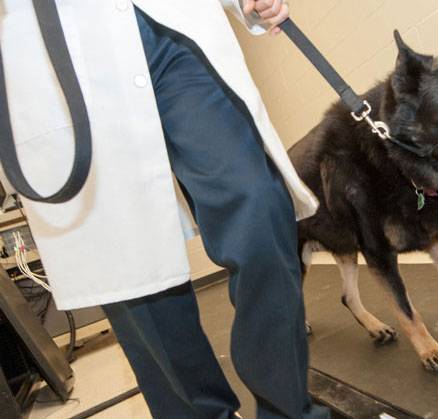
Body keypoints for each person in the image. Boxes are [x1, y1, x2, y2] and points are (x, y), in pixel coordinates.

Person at [0, 0, 328, 418]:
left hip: (172, 26)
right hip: (62, 56)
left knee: (258, 205)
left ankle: (288, 411)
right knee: (134, 273)